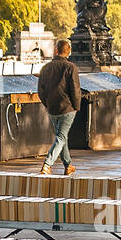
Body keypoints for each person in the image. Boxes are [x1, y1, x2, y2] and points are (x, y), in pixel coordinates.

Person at [37, 38, 81, 175]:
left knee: (62, 137)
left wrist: (47, 103)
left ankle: (68, 165)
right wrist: (76, 106)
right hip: (67, 108)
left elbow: (41, 90)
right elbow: (75, 89)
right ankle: (47, 164)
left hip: (52, 108)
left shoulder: (45, 68)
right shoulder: (71, 67)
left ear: (56, 50)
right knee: (61, 137)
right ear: (68, 52)